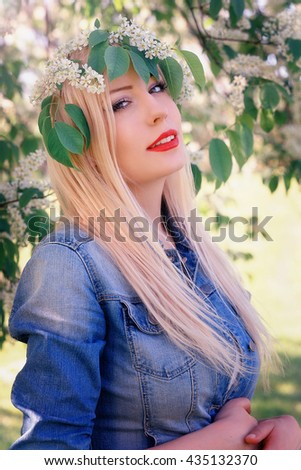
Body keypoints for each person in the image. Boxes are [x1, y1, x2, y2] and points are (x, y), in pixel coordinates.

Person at [9, 16, 301, 450]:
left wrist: (278, 440)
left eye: (158, 88)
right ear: (80, 142)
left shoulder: (193, 253)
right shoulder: (69, 264)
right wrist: (219, 443)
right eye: (120, 104)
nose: (158, 111)